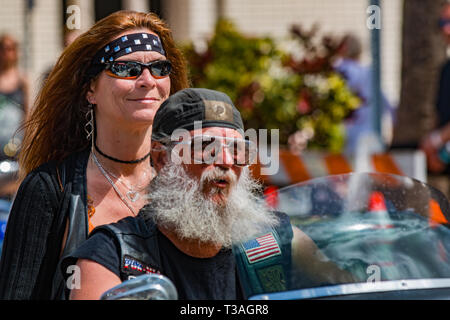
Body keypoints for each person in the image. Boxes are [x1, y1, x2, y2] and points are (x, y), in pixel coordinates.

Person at [62, 88, 354, 300]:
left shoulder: (276, 241)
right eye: (206, 148)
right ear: (162, 160)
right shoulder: (113, 254)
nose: (226, 162)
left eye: (238, 150)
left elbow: (352, 289)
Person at [0, 10, 189, 300]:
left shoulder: (187, 182)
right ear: (90, 89)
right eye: (127, 69)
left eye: (160, 68)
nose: (148, 80)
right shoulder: (50, 188)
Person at [333, 33, 395, 155]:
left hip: (343, 137)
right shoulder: (370, 73)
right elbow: (389, 106)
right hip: (369, 138)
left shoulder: (337, 71)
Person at [420, 3, 450, 175]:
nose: (446, 29)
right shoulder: (446, 69)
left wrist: (437, 140)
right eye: (442, 23)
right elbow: (439, 113)